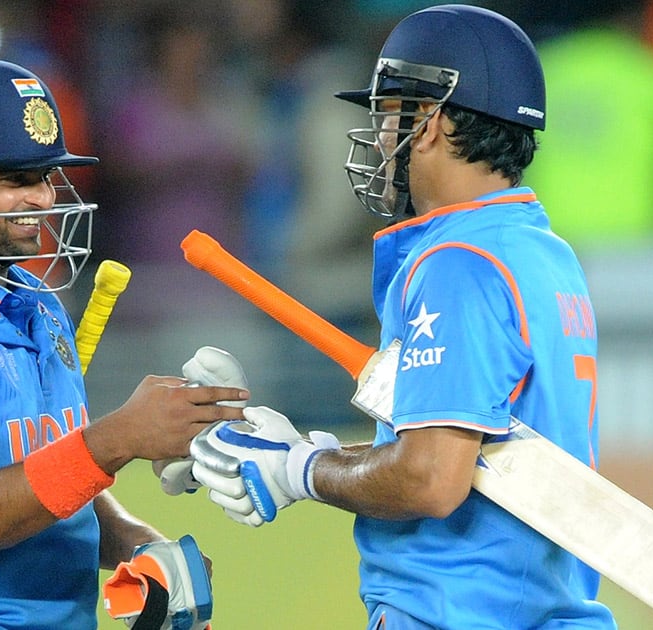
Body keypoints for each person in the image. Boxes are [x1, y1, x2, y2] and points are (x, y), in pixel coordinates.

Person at [186, 5, 617, 628]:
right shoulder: (541, 251)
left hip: (455, 612)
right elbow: (472, 450)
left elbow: (432, 478)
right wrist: (313, 452)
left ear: (433, 121)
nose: (380, 136)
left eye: (388, 114)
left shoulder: (457, 262)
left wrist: (298, 470)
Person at [0, 58, 249, 629]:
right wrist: (117, 438)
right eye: (14, 179)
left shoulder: (39, 303)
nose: (41, 197)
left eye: (44, 176)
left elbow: (49, 480)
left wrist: (137, 544)